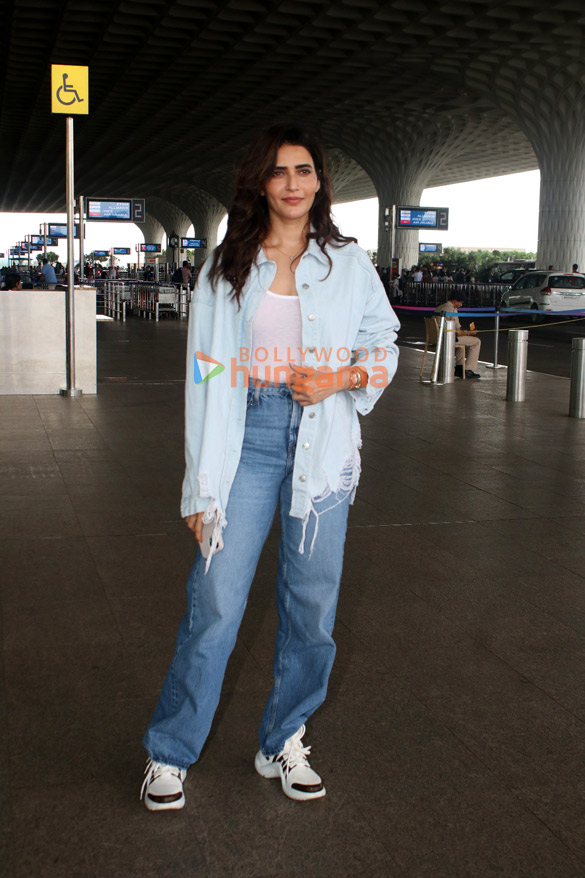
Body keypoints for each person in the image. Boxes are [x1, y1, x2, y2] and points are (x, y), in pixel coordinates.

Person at [140, 123, 400, 810]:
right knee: (216, 601)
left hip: (323, 444)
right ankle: (170, 751)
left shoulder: (347, 263)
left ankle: (283, 738)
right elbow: (206, 372)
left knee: (311, 607)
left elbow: (384, 340)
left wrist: (342, 377)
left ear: (319, 182)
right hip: (245, 438)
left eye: (304, 170)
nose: (292, 183)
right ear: (260, 183)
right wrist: (199, 486)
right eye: (279, 171)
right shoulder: (226, 265)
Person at [434, 294, 481, 378]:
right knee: (476, 341)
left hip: (437, 338)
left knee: (461, 344)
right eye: (460, 302)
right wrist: (469, 333)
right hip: (447, 339)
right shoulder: (452, 310)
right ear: (455, 301)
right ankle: (468, 369)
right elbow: (458, 333)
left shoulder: (439, 307)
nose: (461, 305)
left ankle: (460, 368)